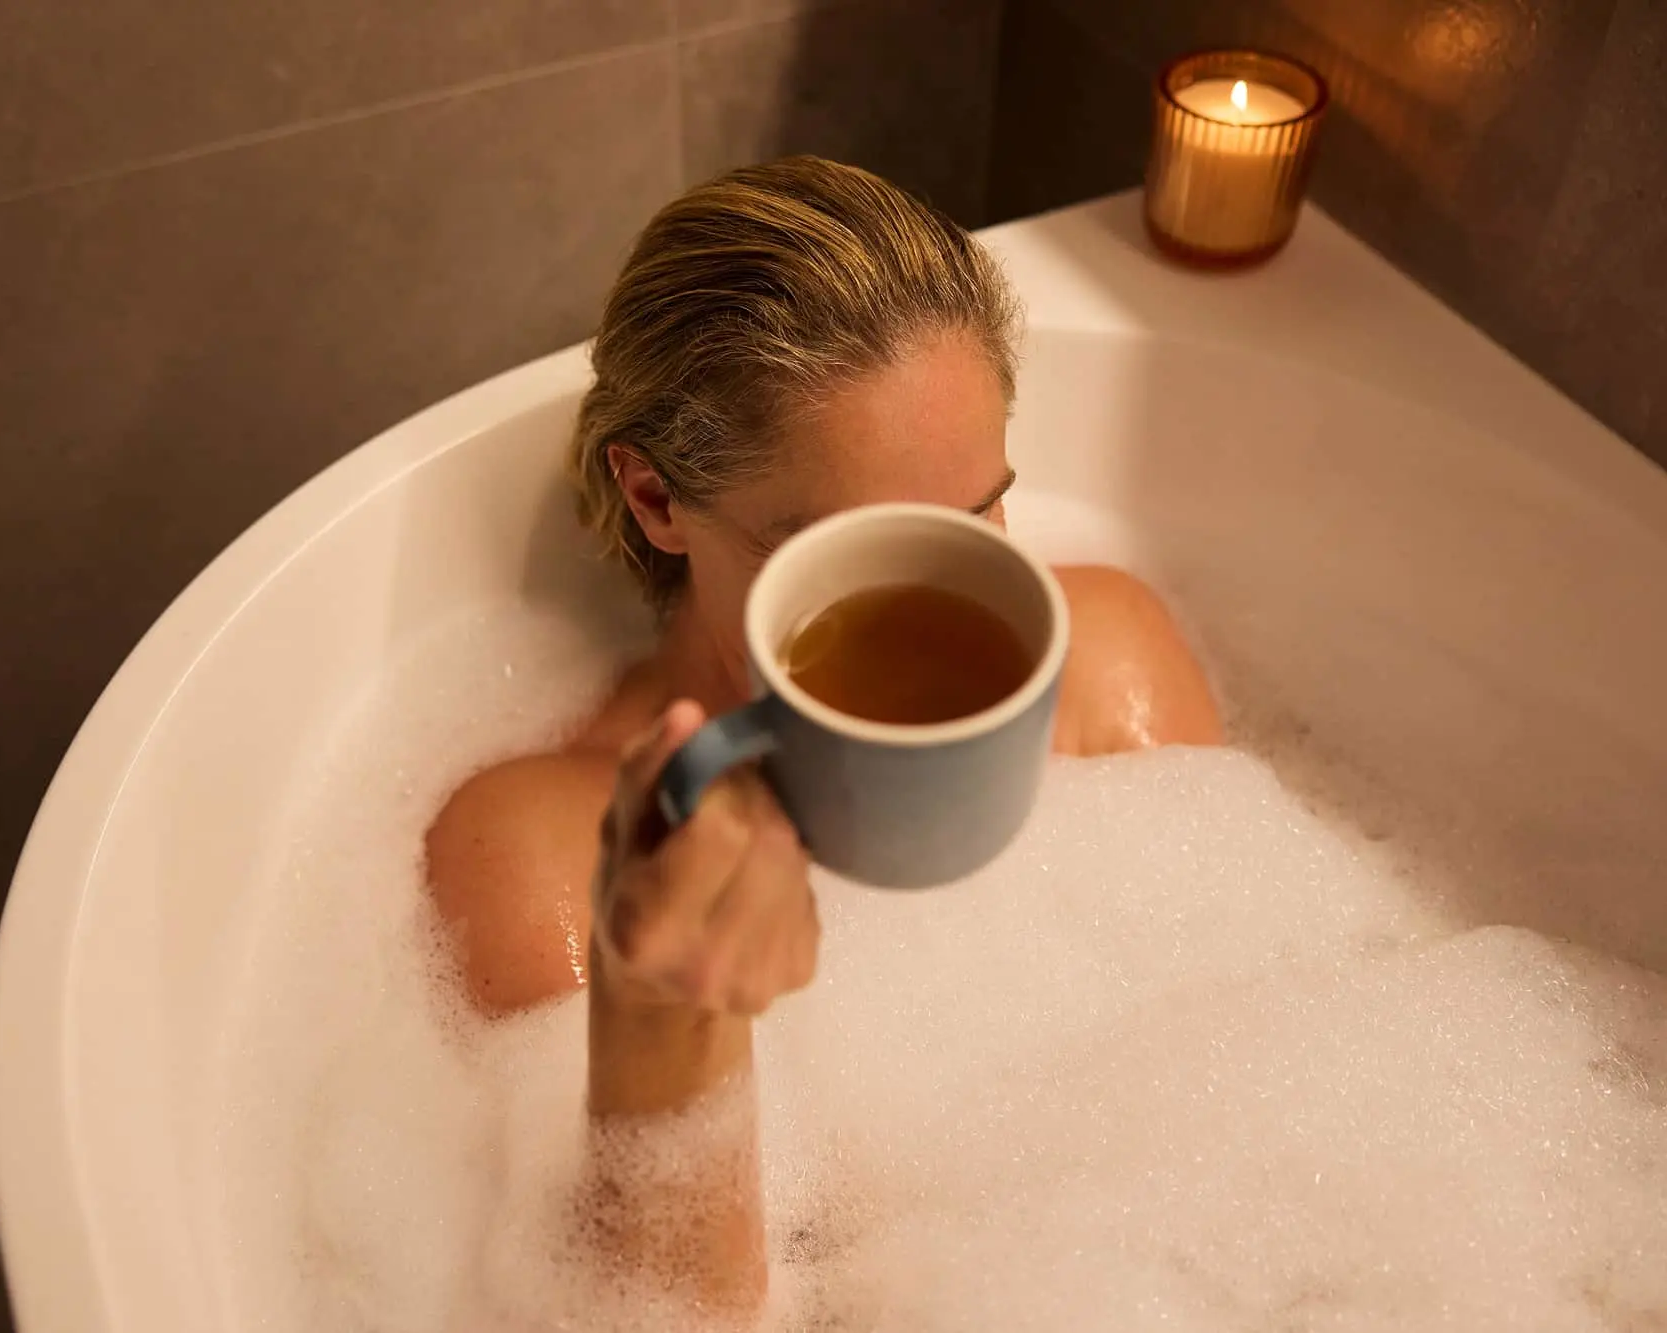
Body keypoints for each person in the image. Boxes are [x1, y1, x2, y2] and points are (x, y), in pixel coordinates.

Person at [424, 157, 1222, 1317]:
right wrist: (663, 1012)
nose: (932, 607)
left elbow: (1255, 1068)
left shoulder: (1103, 664)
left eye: (975, 516)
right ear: (655, 500)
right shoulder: (548, 850)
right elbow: (666, 1314)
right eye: (852, 552)